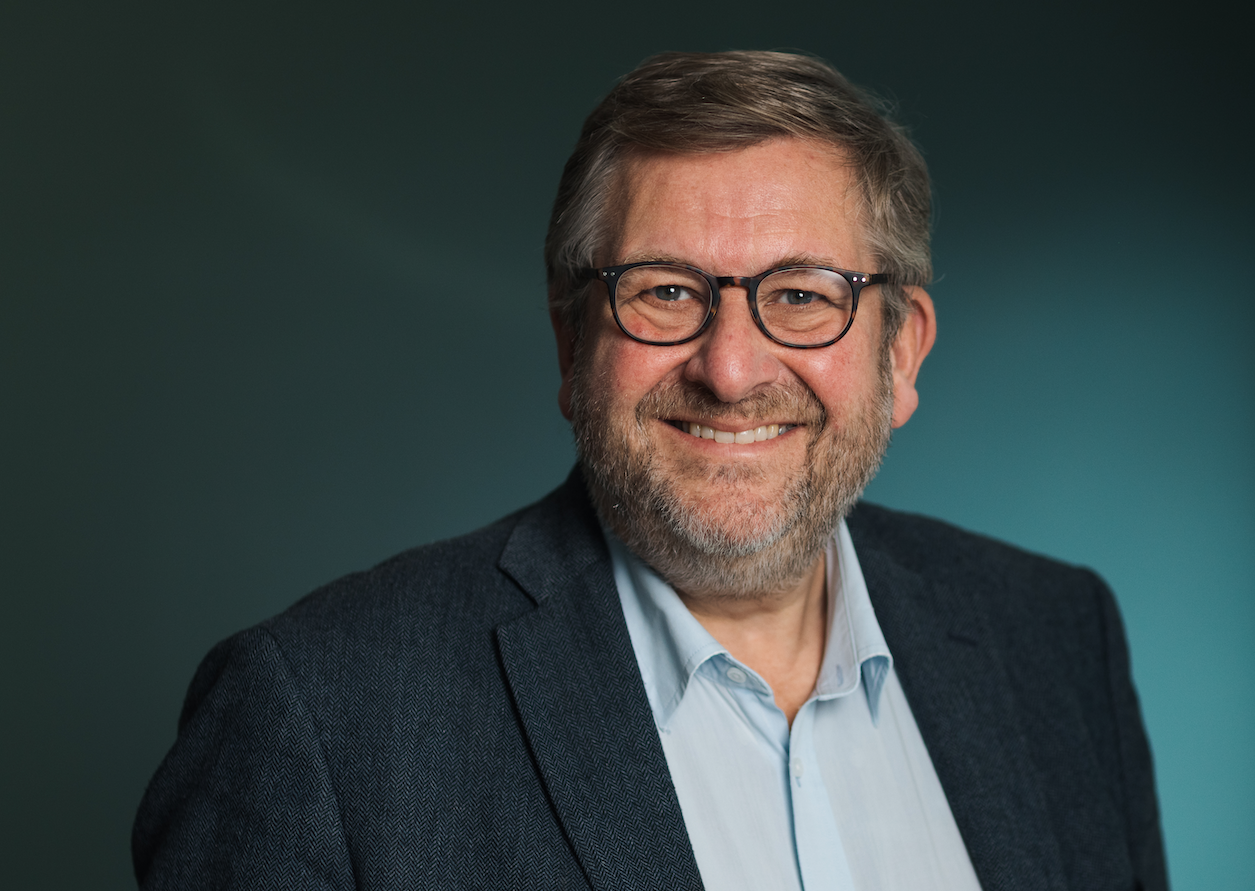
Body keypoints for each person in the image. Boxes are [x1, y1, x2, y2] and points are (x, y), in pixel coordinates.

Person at [133, 51, 1167, 891]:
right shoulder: (317, 717)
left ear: (901, 354)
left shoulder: (1056, 642)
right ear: (570, 348)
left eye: (803, 295)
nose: (730, 368)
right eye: (667, 292)